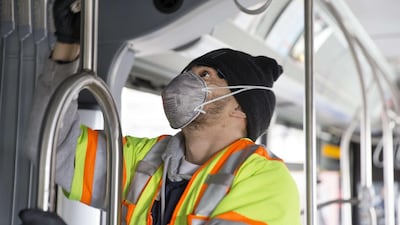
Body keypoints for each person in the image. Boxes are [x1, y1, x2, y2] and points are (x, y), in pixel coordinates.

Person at [20, 0, 301, 224]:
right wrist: (67, 47)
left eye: (205, 75)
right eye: (186, 73)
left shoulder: (266, 181)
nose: (183, 83)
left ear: (241, 107)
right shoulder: (146, 158)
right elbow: (55, 148)